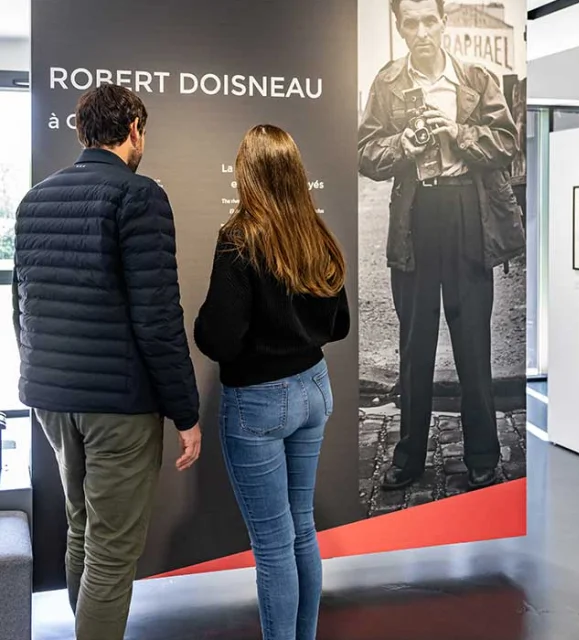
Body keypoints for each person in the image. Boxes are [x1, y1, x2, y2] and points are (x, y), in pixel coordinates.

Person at [12, 84, 201, 640]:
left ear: (80, 131)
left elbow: (20, 304)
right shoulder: (139, 196)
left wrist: (37, 372)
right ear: (135, 128)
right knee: (113, 556)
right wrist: (185, 413)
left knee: (82, 531)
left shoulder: (33, 200)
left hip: (52, 398)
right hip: (118, 407)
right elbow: (158, 317)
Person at [358, 0, 524, 491]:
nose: (423, 30)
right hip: (415, 218)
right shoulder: (388, 83)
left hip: (467, 214)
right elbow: (366, 152)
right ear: (400, 27)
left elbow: (507, 142)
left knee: (473, 339)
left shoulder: (475, 78)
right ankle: (408, 455)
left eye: (431, 20)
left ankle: (482, 455)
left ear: (444, 22)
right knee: (415, 343)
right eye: (412, 22)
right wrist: (403, 146)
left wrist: (459, 131)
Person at [195, 124, 350, 640]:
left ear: (247, 174)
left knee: (273, 543)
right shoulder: (316, 232)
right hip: (313, 388)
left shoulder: (239, 238)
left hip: (260, 403)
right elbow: (340, 324)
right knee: (301, 527)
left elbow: (218, 338)